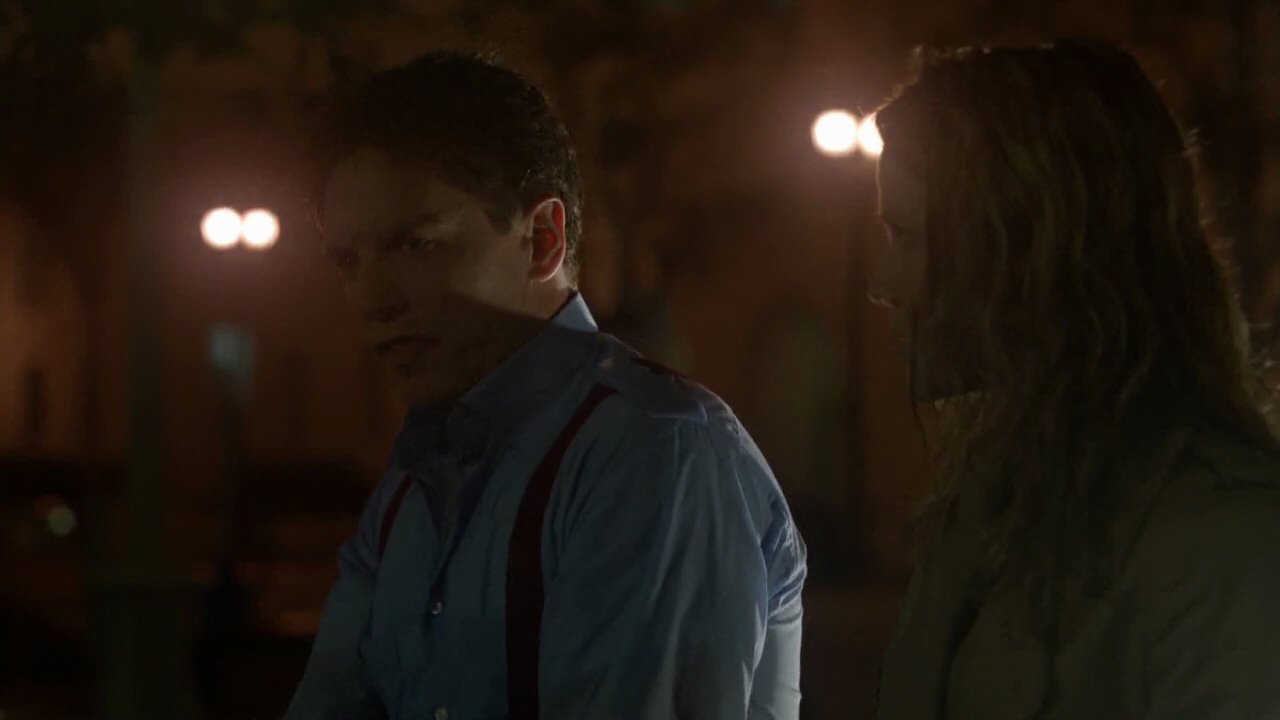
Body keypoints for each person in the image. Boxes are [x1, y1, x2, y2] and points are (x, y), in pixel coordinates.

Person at [282, 51, 806, 720]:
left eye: (418, 245)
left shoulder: (649, 452)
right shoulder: (416, 482)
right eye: (348, 261)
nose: (372, 298)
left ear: (541, 239)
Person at [868, 41, 1280, 719]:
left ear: (1024, 246)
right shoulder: (987, 513)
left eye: (906, 235)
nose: (882, 284)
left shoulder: (1229, 544)